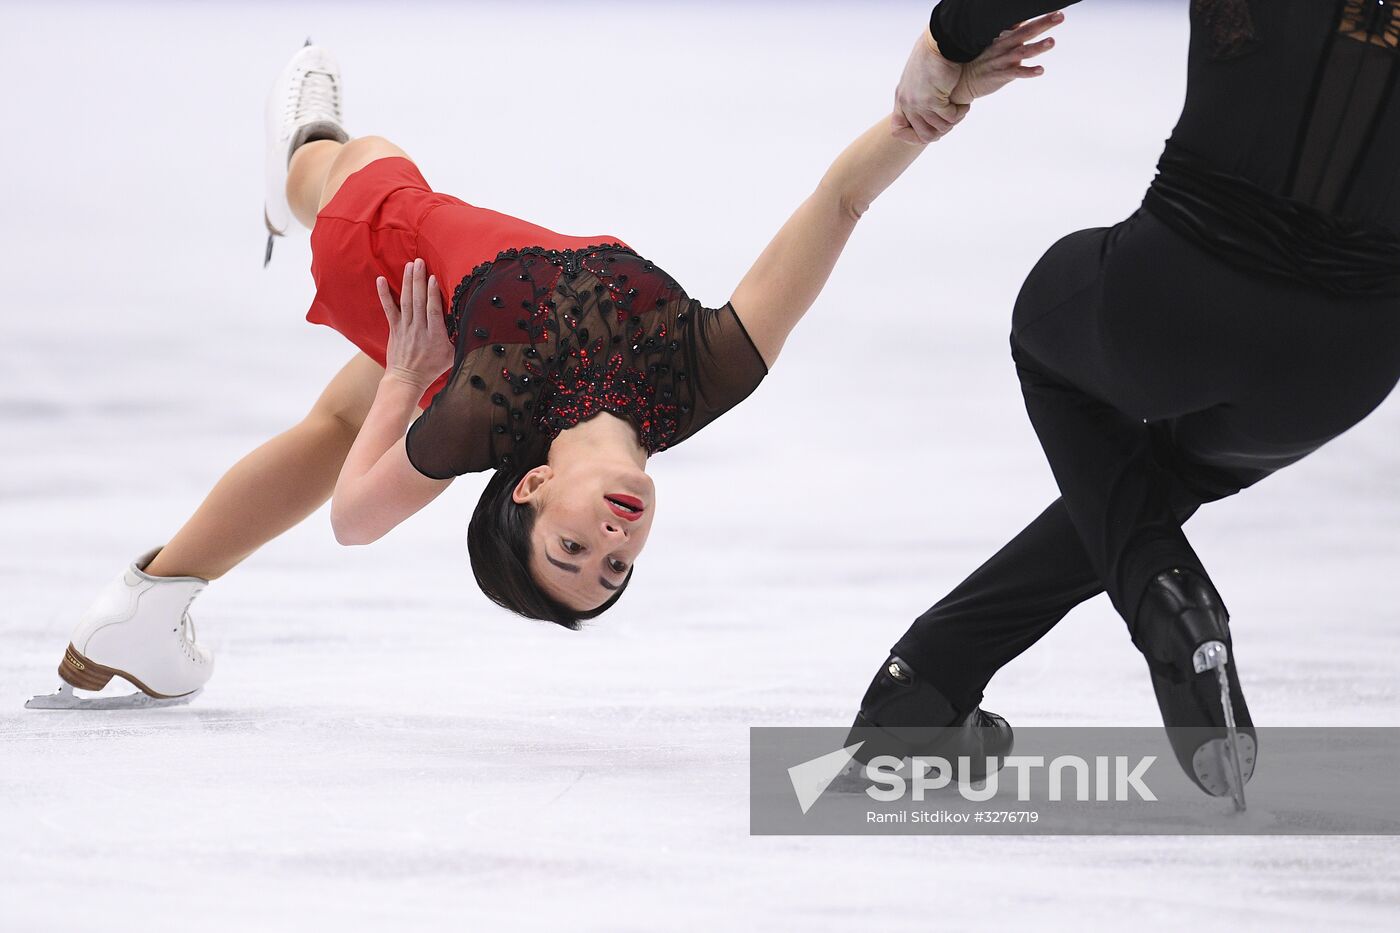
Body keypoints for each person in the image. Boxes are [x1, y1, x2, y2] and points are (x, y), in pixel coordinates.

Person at [28, 22, 1060, 709]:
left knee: (340, 167)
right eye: (611, 571)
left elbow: (353, 521)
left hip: (393, 260)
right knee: (334, 428)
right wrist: (924, 113)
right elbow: (838, 205)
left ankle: (296, 159)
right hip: (444, 316)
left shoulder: (479, 411)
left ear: (529, 486)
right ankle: (147, 604)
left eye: (569, 555)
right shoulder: (704, 376)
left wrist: (404, 376)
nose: (607, 549)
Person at [847, 0, 1400, 808]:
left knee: (1047, 335)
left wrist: (948, 41)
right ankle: (931, 676)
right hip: (1348, 359)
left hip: (1176, 296)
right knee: (1168, 470)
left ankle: (1163, 596)